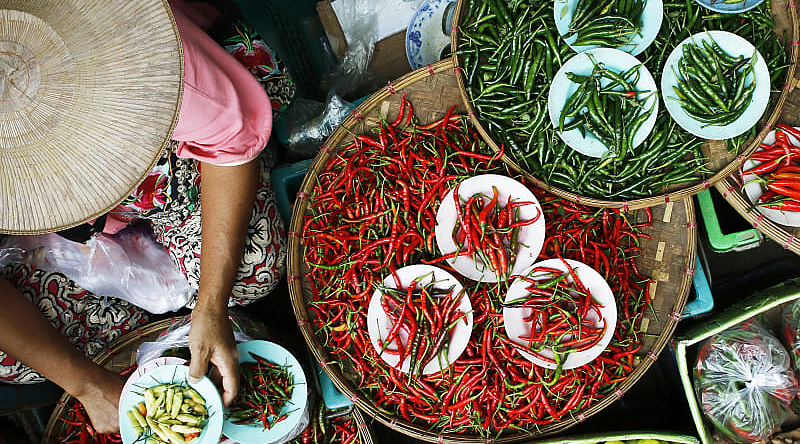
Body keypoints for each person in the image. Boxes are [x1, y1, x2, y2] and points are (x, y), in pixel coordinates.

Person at [0, 0, 294, 433]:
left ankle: (196, 316)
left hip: (175, 162)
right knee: (13, 360)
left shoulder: (138, 51)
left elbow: (228, 144)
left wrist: (211, 304)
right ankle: (169, 332)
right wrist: (87, 385)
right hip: (76, 229)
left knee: (252, 271)